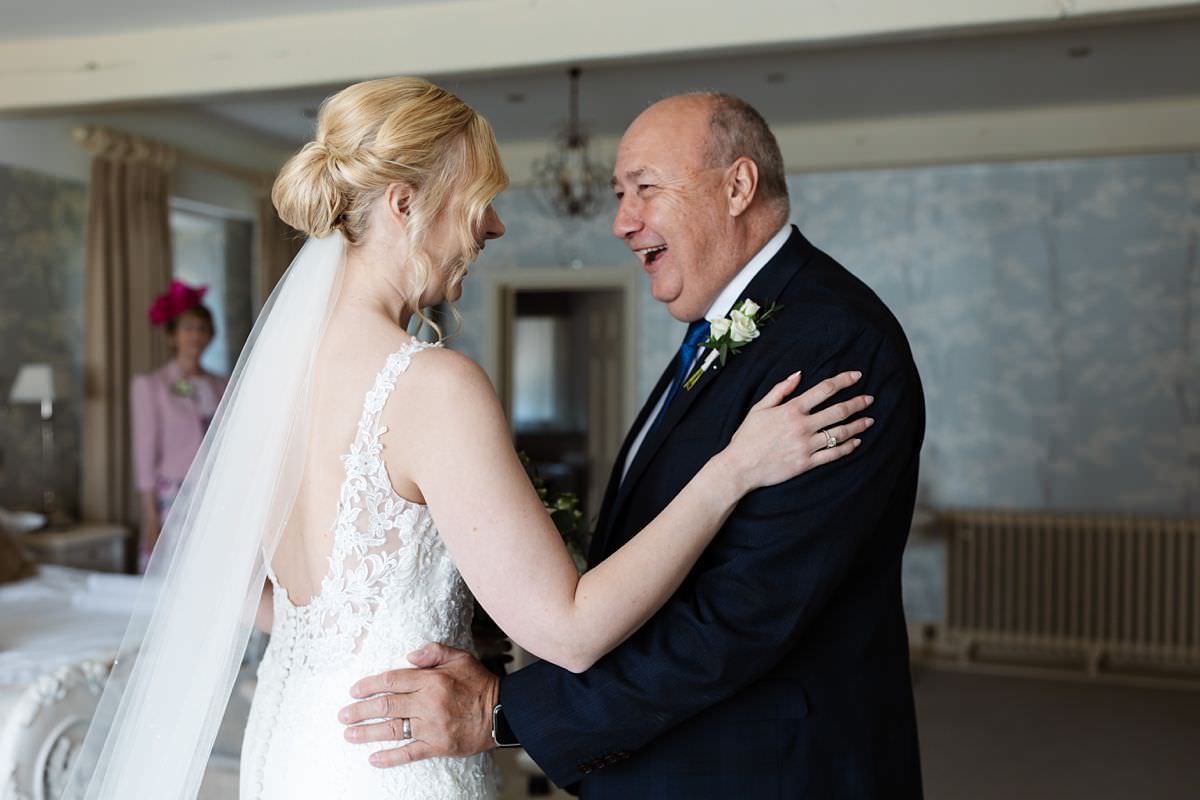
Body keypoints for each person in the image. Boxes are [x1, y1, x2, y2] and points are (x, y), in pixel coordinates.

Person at [64, 79, 872, 800]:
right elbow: (571, 628)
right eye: (476, 198)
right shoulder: (433, 385)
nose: (492, 225)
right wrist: (732, 470)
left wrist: (355, 631)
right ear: (405, 203)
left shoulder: (275, 379)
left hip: (293, 744)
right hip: (392, 766)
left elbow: (236, 584)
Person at [339, 92, 926, 798]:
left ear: (738, 186)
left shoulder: (833, 342)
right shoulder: (730, 324)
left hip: (760, 769)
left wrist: (504, 711)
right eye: (620, 194)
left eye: (644, 188)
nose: (621, 221)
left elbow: (739, 617)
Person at [130, 281, 227, 572]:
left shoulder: (222, 384)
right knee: (173, 572)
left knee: (210, 570)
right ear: (172, 335)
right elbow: (145, 453)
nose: (195, 335)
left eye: (201, 328)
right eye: (187, 328)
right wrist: (150, 517)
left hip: (215, 492)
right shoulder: (152, 385)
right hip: (173, 495)